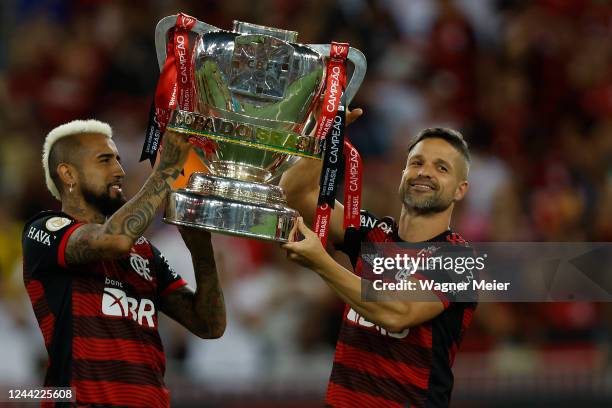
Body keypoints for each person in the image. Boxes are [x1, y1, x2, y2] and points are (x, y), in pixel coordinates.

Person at [22, 119, 226, 407]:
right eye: (105, 160)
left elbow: (209, 325)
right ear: (68, 174)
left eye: (118, 160)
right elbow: (113, 240)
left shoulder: (143, 251)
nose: (120, 170)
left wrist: (201, 248)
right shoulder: (44, 230)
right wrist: (166, 169)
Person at [281, 123, 477, 408]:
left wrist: (322, 263)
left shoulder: (458, 258)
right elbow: (295, 195)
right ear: (403, 173)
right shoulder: (374, 234)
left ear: (460, 190)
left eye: (441, 168)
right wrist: (325, 132)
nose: (424, 172)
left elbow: (397, 311)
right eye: (416, 162)